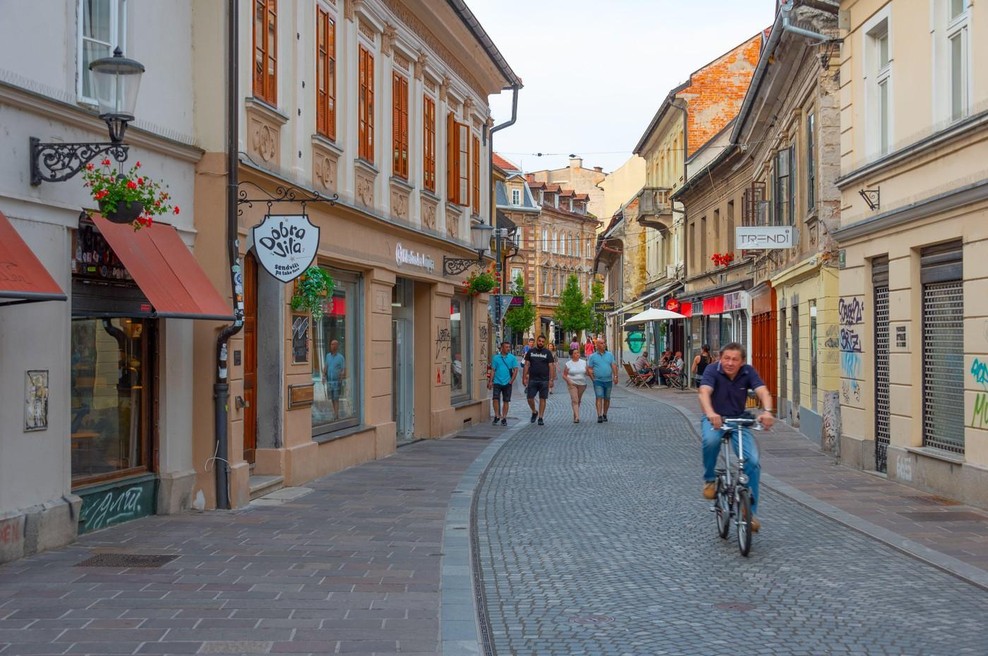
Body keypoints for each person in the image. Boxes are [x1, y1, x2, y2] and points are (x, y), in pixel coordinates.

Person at [698, 341, 775, 532]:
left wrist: (767, 411)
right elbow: (704, 392)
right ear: (720, 358)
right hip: (715, 419)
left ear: (742, 362)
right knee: (710, 441)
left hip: (738, 420)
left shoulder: (748, 372)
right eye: (726, 358)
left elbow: (763, 391)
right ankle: (710, 479)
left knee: (752, 461)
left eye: (735, 359)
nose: (730, 363)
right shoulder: (712, 370)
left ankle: (750, 514)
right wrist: (711, 413)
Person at [523, 335, 556, 426]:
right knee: (530, 398)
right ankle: (534, 412)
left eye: (542, 341)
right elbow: (526, 365)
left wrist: (551, 379)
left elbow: (551, 366)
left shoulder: (547, 353)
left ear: (544, 343)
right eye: (539, 341)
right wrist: (524, 377)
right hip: (532, 379)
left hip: (544, 380)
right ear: (537, 341)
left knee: (542, 398)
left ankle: (540, 417)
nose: (541, 342)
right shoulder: (531, 352)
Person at [586, 338, 618, 423]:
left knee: (607, 398)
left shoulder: (610, 355)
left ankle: (605, 414)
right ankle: (599, 415)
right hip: (598, 381)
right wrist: (593, 378)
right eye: (602, 343)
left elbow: (613, 365)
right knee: (599, 397)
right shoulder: (593, 356)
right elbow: (589, 368)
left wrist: (615, 376)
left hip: (608, 380)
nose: (604, 344)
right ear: (597, 345)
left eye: (604, 343)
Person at [488, 340, 519, 426]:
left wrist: (511, 381)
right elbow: (493, 370)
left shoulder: (512, 358)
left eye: (509, 347)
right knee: (495, 399)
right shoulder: (496, 358)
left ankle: (504, 417)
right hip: (497, 382)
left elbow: (515, 370)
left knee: (506, 401)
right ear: (502, 348)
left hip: (507, 382)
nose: (508, 348)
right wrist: (490, 381)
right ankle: (497, 415)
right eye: (506, 347)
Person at [561, 347, 589, 423]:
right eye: (575, 353)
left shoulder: (583, 362)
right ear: (572, 355)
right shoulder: (568, 364)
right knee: (575, 399)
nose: (577, 354)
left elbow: (587, 372)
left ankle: (575, 414)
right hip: (572, 383)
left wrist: (592, 375)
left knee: (578, 400)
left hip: (582, 384)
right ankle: (577, 417)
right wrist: (569, 381)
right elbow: (564, 375)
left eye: (578, 353)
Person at [323, 339, 346, 420]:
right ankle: (335, 413)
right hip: (330, 381)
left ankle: (336, 415)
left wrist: (342, 376)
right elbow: (326, 367)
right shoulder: (328, 356)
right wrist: (323, 376)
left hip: (337, 381)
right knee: (332, 398)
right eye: (331, 344)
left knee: (336, 398)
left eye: (334, 344)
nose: (332, 346)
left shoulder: (340, 357)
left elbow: (343, 369)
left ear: (337, 346)